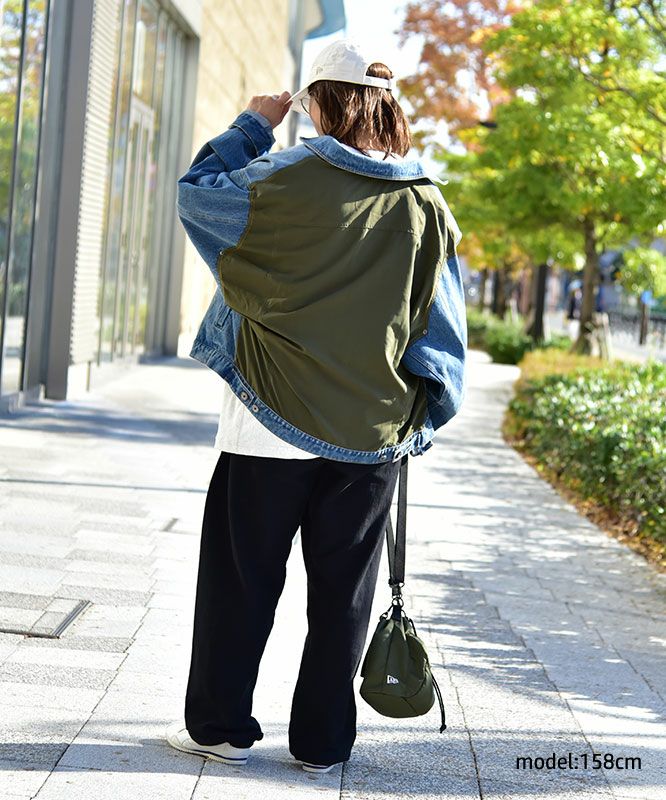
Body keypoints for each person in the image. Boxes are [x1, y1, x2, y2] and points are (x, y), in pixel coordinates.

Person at [165, 39, 467, 774]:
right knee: (344, 595)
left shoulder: (281, 174)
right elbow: (441, 332)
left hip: (269, 422)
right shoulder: (426, 201)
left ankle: (219, 728)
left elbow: (198, 192)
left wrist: (251, 124)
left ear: (319, 100)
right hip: (370, 435)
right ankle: (323, 745)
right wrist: (416, 421)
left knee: (243, 582)